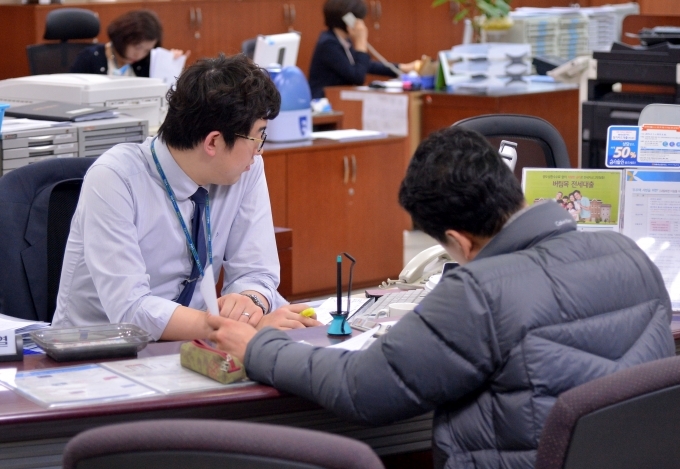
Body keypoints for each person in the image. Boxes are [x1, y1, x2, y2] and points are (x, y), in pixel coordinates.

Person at [206, 126, 674, 469]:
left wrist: (259, 349)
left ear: (458, 241)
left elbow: (362, 389)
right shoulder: (626, 252)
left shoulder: (480, 292)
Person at [53, 54, 320, 340]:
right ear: (213, 142)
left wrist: (249, 302)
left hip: (191, 347)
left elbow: (257, 271)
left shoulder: (246, 170)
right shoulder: (115, 178)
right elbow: (132, 309)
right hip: (97, 355)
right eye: (258, 137)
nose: (260, 152)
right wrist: (241, 329)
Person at [308, 0, 419, 99]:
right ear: (349, 20)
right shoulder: (328, 44)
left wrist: (403, 68)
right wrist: (361, 42)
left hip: (337, 99)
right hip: (323, 104)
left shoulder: (342, 40)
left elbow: (364, 65)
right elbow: (357, 76)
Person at [70, 10, 188, 77]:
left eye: (146, 50)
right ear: (123, 38)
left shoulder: (146, 63)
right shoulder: (89, 57)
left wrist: (170, 64)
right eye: (137, 47)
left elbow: (164, 93)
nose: (139, 55)